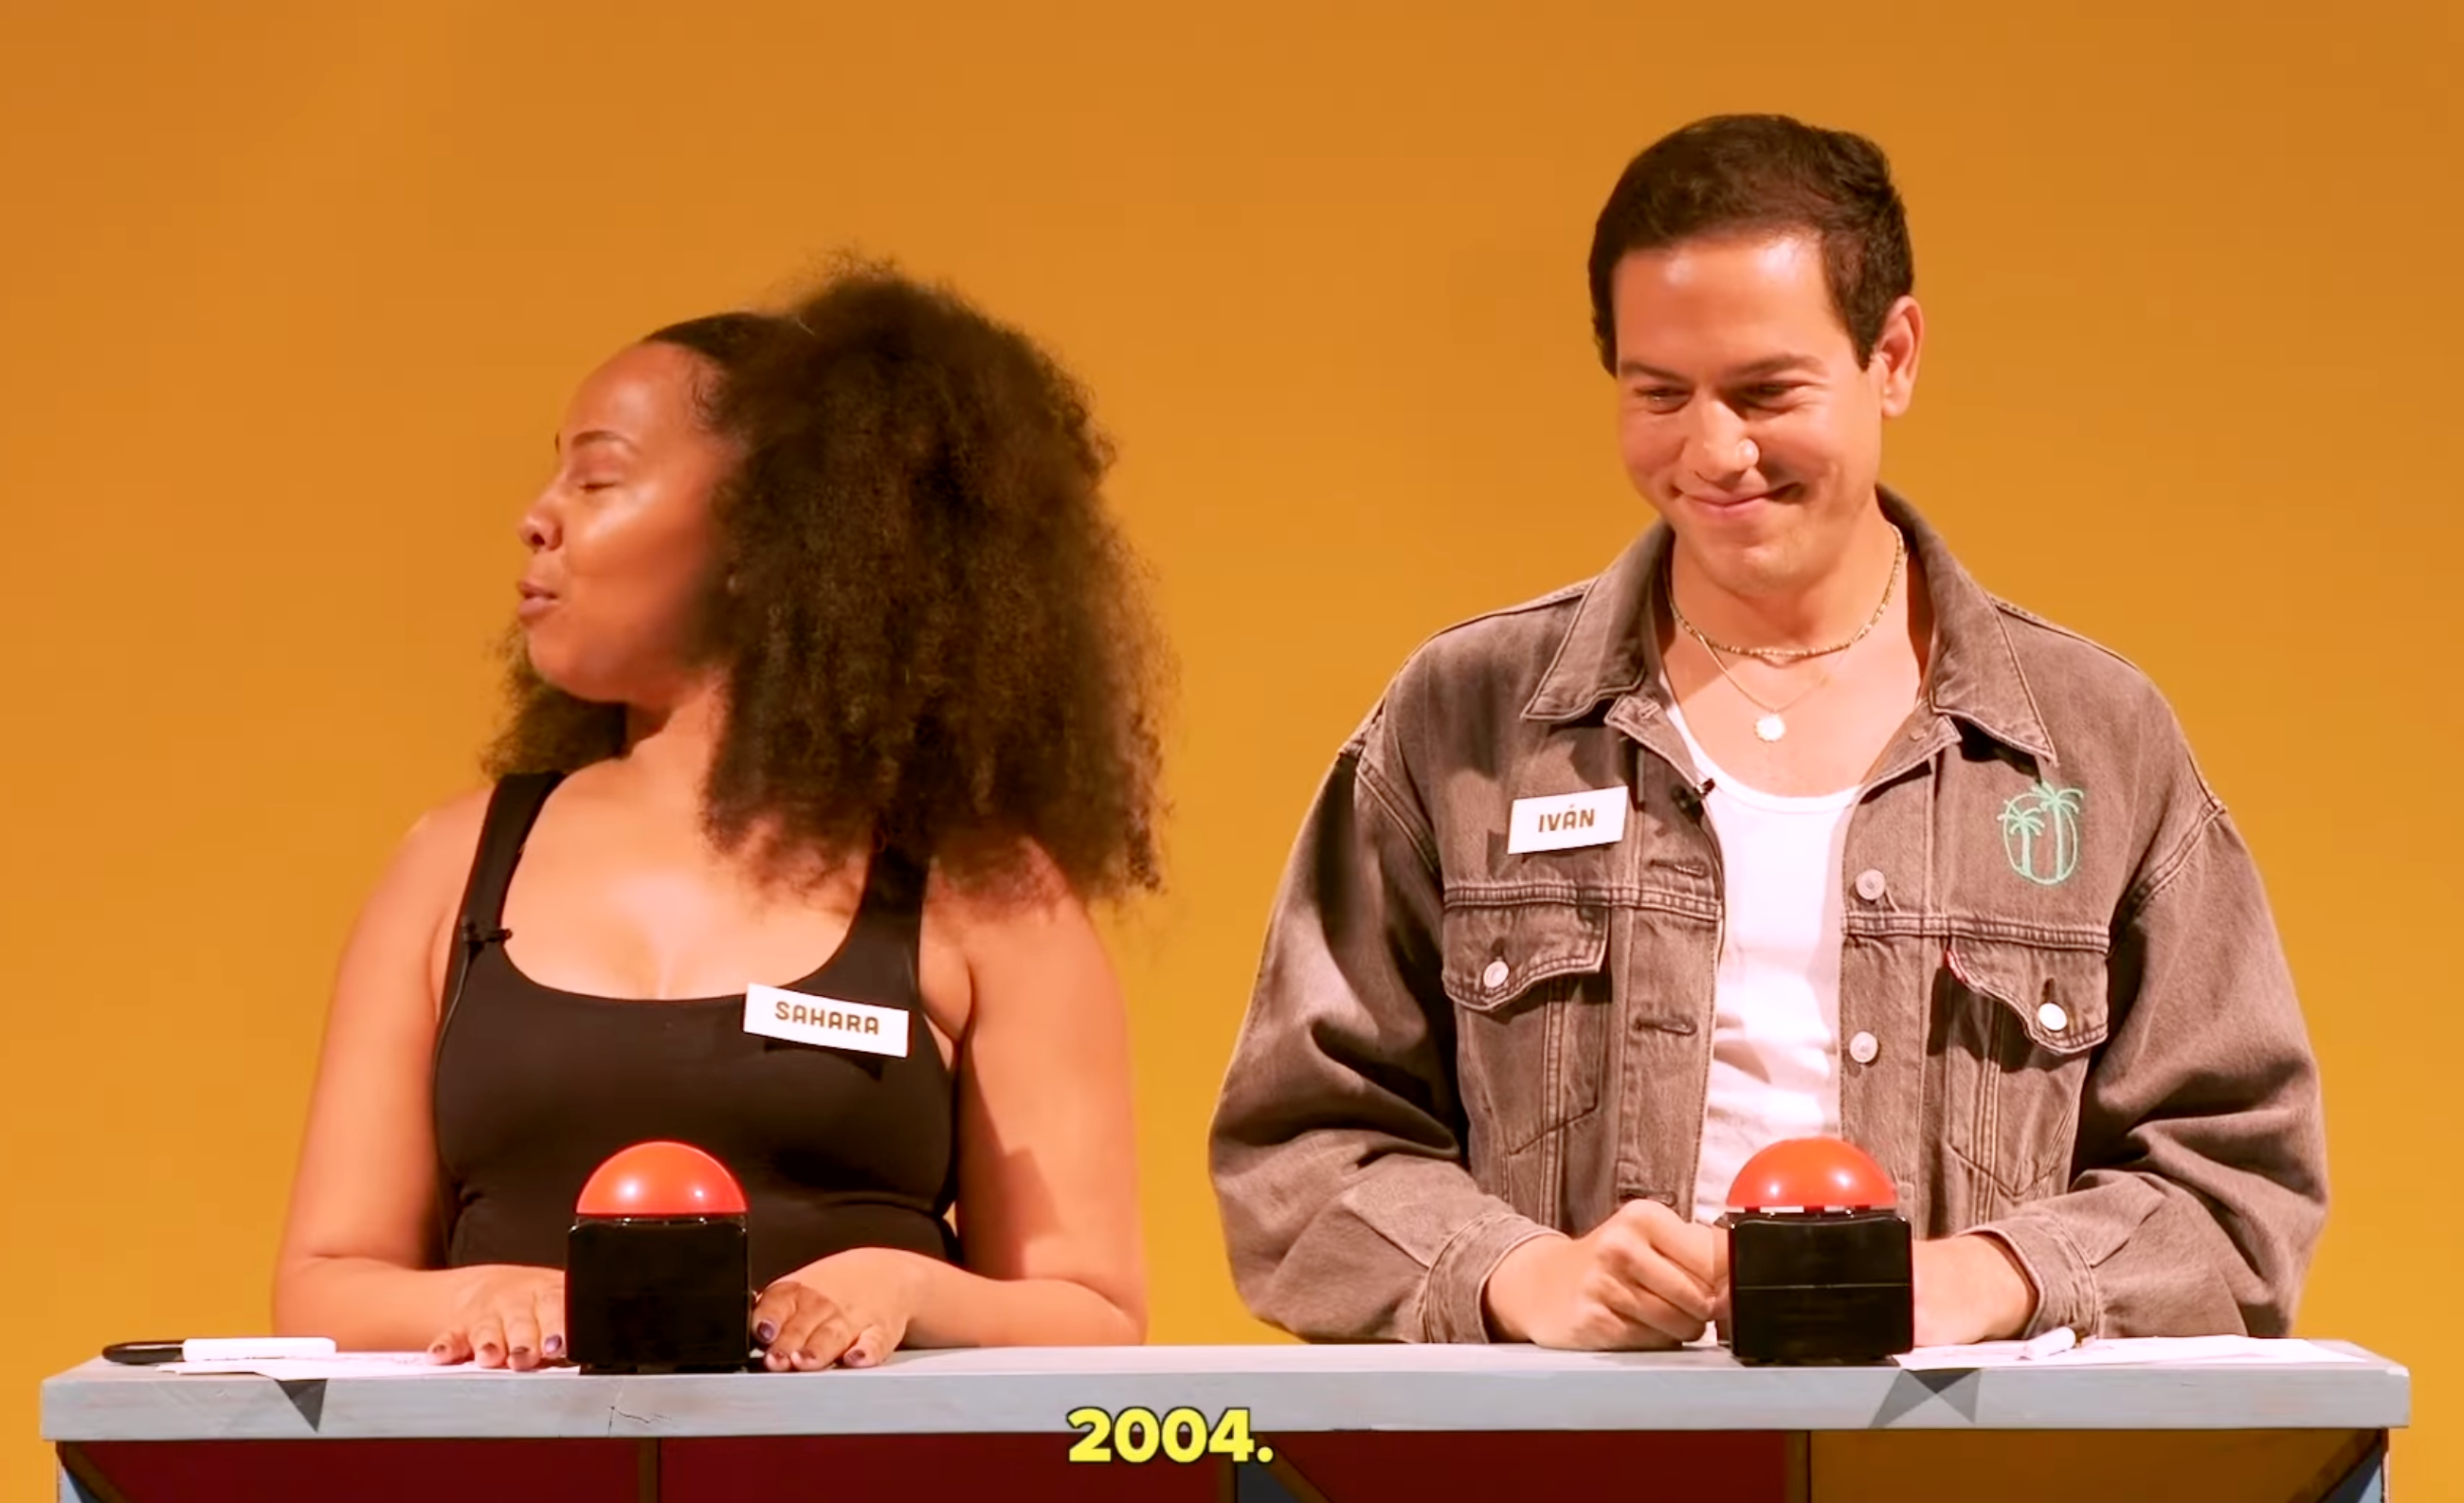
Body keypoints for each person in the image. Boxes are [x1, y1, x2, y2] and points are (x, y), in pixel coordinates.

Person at [1207, 114, 2326, 1350]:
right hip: (1574, 1463)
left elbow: (2241, 1185)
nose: (1714, 451)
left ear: (1892, 355)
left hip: (1953, 1462)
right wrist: (1512, 1273)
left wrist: (1993, 1274)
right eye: (1659, 395)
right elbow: (1298, 1153)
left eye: (1765, 391)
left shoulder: (2091, 741)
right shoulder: (1462, 719)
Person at [274, 262, 1167, 1370]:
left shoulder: (981, 887)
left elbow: (1090, 1307)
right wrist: (499, 1294)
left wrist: (903, 1285)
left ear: (768, 534)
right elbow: (328, 1279)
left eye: (597, 480)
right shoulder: (453, 859)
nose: (535, 518)